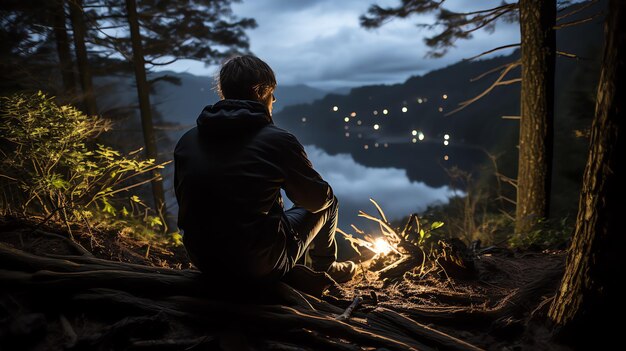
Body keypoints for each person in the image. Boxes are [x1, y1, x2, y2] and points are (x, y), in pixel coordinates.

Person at [174, 55, 357, 285]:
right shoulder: (277, 141)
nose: (275, 99)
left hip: (204, 261)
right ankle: (325, 269)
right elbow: (317, 200)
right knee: (329, 200)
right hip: (256, 265)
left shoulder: (187, 140)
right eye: (272, 93)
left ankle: (289, 265)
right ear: (261, 92)